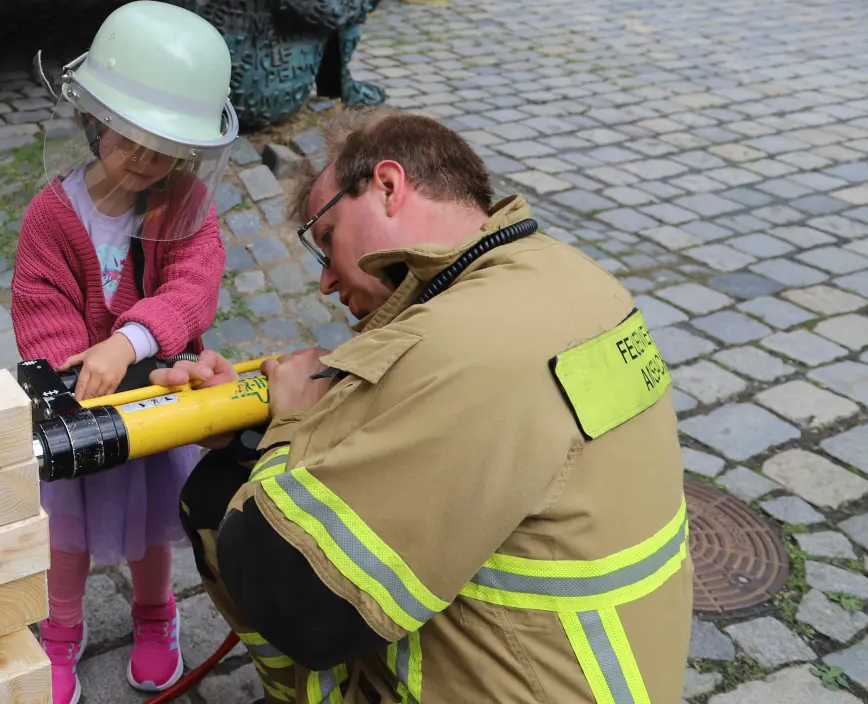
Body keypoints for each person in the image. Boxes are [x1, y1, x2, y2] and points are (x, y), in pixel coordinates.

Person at [156, 110, 693, 703]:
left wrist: (289, 426)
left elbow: (295, 598)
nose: (327, 281)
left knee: (221, 505)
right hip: (614, 670)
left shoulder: (457, 345)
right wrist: (256, 425)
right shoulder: (574, 280)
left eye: (326, 237)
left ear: (387, 186)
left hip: (525, 684)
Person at [12, 0, 239, 704]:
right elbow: (39, 303)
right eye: (127, 138)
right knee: (67, 530)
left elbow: (194, 287)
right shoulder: (52, 215)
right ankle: (61, 630)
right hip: (83, 411)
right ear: (92, 119)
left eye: (165, 146)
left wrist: (129, 340)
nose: (144, 160)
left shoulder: (185, 204)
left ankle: (155, 616)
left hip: (160, 402)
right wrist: (72, 372)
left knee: (150, 526)